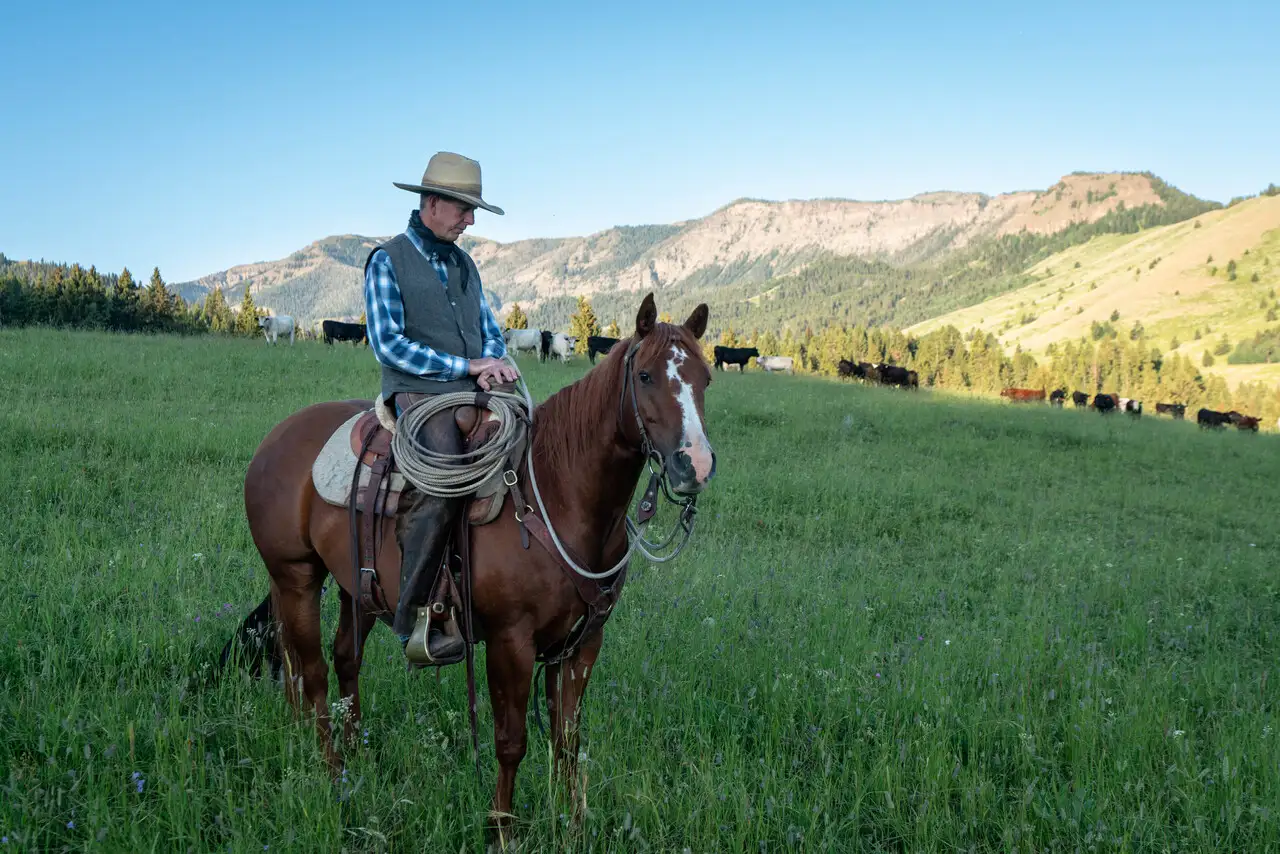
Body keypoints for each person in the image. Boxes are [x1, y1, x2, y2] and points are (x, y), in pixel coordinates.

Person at [363, 151, 520, 665]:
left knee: (530, 442)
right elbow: (389, 345)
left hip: (470, 385)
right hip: (418, 392)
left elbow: (489, 327)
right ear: (432, 203)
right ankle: (415, 620)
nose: (471, 220)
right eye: (464, 209)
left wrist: (495, 361)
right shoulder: (388, 260)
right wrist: (466, 367)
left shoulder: (463, 264)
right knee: (444, 472)